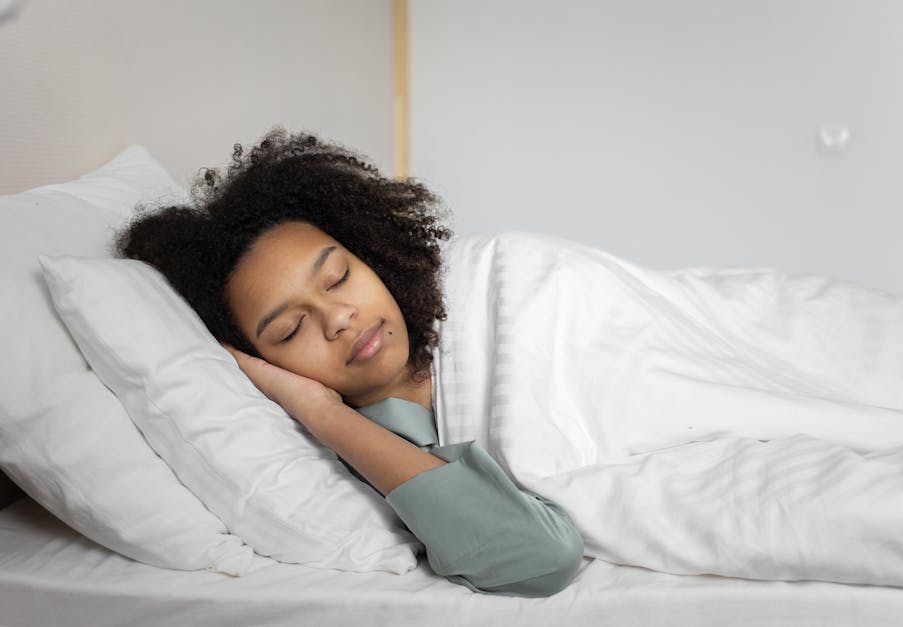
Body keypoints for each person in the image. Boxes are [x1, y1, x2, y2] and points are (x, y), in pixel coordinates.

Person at [115, 128, 584, 597]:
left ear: (371, 252)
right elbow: (541, 558)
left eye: (338, 277)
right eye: (290, 330)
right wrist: (320, 410)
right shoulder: (376, 445)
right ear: (264, 363)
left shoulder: (481, 290)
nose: (338, 318)